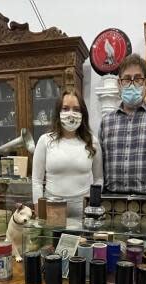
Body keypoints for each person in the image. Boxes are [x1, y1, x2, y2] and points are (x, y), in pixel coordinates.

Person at [99, 53, 146, 197]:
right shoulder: (106, 122)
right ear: (119, 85)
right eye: (126, 79)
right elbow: (99, 167)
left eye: (138, 79)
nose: (132, 84)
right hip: (112, 200)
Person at [32, 89, 103, 219]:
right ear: (58, 112)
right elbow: (36, 181)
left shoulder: (93, 142)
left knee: (82, 240)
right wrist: (39, 211)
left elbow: (99, 179)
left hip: (84, 208)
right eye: (65, 108)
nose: (71, 113)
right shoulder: (45, 141)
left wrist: (94, 206)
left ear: (83, 113)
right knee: (53, 239)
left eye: (76, 109)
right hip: (52, 207)